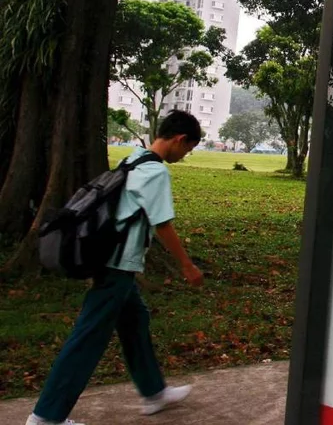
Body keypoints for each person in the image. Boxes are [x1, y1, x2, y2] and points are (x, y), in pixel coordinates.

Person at [27, 110, 206, 425]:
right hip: (117, 267)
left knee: (135, 321)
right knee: (88, 338)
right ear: (180, 140)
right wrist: (187, 265)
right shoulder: (156, 173)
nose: (184, 155)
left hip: (110, 260)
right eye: (187, 149)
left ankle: (154, 392)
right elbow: (162, 224)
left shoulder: (134, 159)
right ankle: (45, 417)